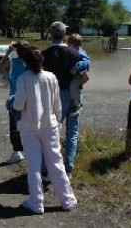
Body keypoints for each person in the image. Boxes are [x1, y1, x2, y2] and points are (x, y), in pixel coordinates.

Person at [13, 46, 77, 214]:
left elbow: (18, 105)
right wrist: (58, 122)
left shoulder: (22, 79)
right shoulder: (51, 77)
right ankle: (67, 199)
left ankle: (36, 202)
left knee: (34, 164)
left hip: (29, 126)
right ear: (42, 61)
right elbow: (57, 104)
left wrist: (12, 102)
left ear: (25, 62)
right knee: (56, 161)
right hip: (50, 124)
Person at [42, 21, 87, 176]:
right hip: (71, 94)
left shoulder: (45, 54)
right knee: (72, 131)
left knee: (50, 133)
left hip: (52, 96)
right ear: (64, 35)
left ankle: (46, 168)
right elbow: (85, 76)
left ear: (51, 35)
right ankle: (68, 166)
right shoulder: (74, 54)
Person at [0, 40, 29, 164]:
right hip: (30, 99)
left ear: (17, 51)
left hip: (15, 99)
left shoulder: (12, 62)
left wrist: (8, 52)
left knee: (15, 127)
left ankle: (17, 152)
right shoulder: (31, 64)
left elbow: (1, 65)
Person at [66, 34, 91, 116]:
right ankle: (76, 102)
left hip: (78, 72)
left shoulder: (80, 52)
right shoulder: (71, 50)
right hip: (75, 73)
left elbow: (86, 62)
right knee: (75, 88)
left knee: (74, 87)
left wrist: (76, 67)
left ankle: (77, 105)